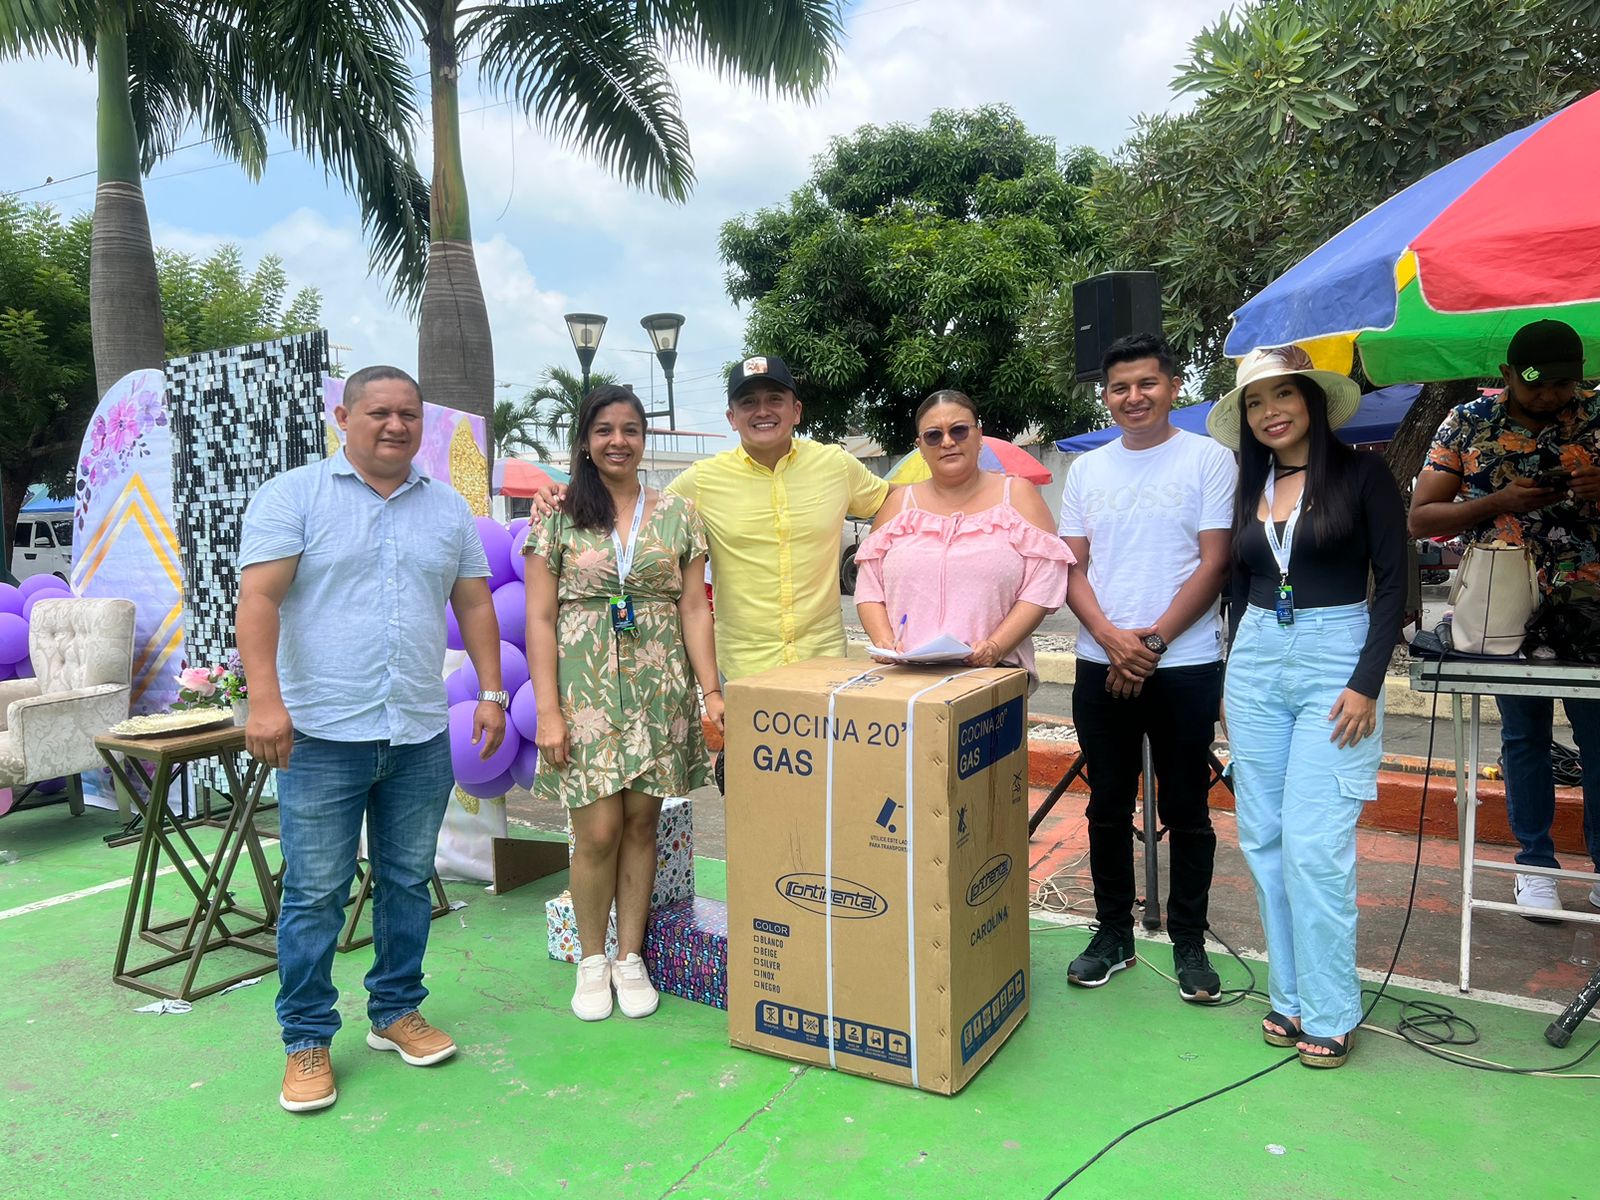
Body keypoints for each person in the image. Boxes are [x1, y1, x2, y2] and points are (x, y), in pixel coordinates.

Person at [237, 365, 508, 1114]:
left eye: (408, 414)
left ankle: (395, 1010)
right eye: (379, 412)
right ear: (344, 417)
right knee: (316, 892)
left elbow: (475, 604)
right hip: (321, 732)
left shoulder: (446, 508)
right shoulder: (294, 496)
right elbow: (258, 598)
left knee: (406, 880)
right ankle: (306, 1037)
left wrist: (491, 692)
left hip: (418, 730)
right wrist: (265, 702)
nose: (396, 425)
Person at [1209, 346, 1407, 1069]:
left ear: (1313, 401)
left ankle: (1331, 1010)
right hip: (1256, 661)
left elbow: (1395, 585)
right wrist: (1230, 678)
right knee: (1263, 838)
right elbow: (1237, 590)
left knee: (1315, 846)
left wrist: (1366, 682)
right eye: (1256, 402)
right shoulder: (1250, 483)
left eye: (1284, 395)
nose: (1271, 412)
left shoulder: (1363, 474)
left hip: (1336, 659)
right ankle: (1289, 997)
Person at [524, 385, 721, 1022]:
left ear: (644, 438)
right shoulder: (556, 513)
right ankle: (592, 958)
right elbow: (539, 617)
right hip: (583, 692)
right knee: (598, 831)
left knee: (641, 825)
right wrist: (548, 710)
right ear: (585, 441)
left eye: (630, 429)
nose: (618, 441)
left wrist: (711, 691)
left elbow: (694, 608)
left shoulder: (679, 513)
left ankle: (630, 956)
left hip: (660, 689)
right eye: (604, 429)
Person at [1057, 332, 1236, 1002]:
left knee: (1188, 808)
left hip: (1185, 664)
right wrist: (1112, 639)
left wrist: (1152, 644)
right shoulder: (1087, 471)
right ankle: (1113, 935)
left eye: (1147, 384)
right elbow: (1070, 567)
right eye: (1119, 388)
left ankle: (1189, 940)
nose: (1133, 397)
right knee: (1106, 805)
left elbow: (1215, 563)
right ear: (1106, 396)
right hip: (1100, 662)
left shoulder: (1210, 459)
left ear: (1173, 387)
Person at [1409, 319, 1600, 919]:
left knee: (1599, 738)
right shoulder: (1469, 422)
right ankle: (1535, 865)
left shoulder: (1597, 413)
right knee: (1524, 736)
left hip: (1590, 609)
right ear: (1507, 374)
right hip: (1503, 608)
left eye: (1564, 384)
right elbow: (1421, 517)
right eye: (1536, 383)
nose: (1550, 396)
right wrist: (1498, 502)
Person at [665, 355, 892, 681]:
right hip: (744, 669)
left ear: (796, 411)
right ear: (732, 417)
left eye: (774, 399)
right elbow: (647, 518)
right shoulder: (702, 480)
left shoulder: (835, 465)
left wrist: (873, 550)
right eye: (748, 402)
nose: (762, 411)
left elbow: (894, 498)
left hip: (824, 661)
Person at [854, 389, 1071, 683]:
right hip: (906, 676)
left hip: (993, 674)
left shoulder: (1018, 496)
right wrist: (883, 641)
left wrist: (996, 646)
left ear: (979, 435)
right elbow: (869, 585)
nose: (947, 442)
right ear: (920, 446)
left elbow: (1044, 581)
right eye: (933, 435)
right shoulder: (898, 504)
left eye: (958, 430)